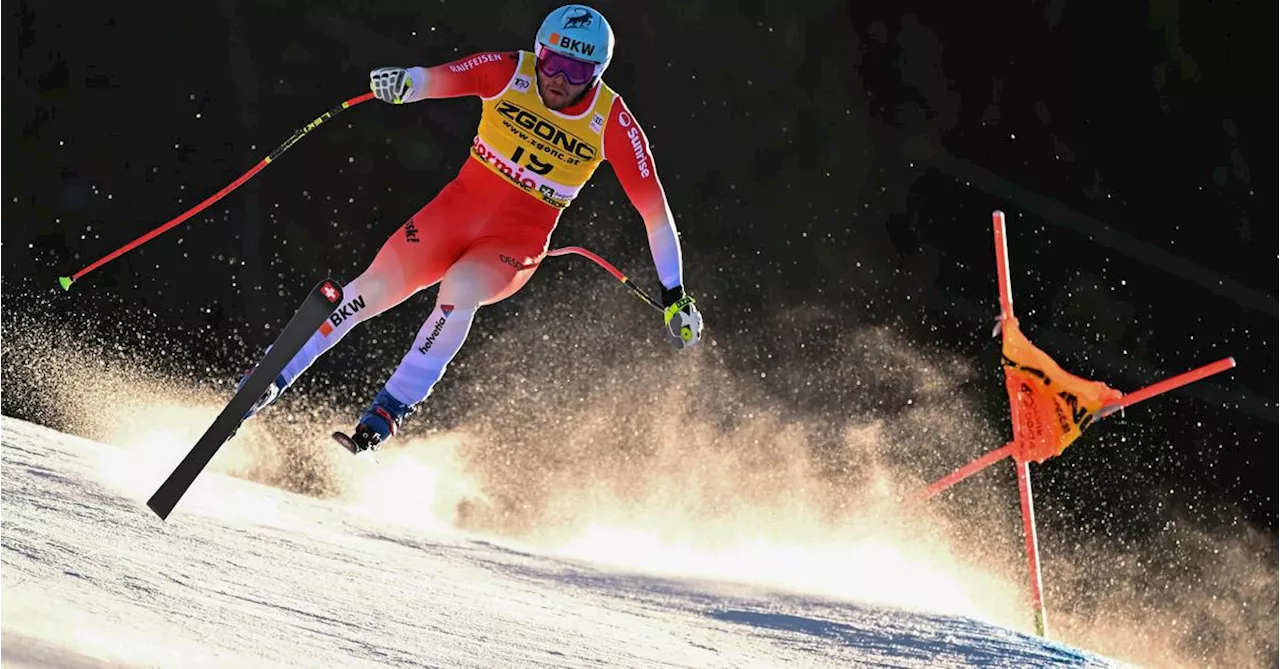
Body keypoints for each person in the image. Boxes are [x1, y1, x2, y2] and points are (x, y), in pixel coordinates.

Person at [238, 4, 703, 453]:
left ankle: (390, 408)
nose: (559, 80)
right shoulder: (509, 71)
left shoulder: (613, 122)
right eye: (553, 63)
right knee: (368, 290)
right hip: (451, 217)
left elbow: (656, 215)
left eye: (577, 72)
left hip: (512, 245)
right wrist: (405, 84)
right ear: (538, 52)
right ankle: (271, 378)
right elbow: (440, 78)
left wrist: (674, 293)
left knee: (460, 289)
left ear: (597, 73)